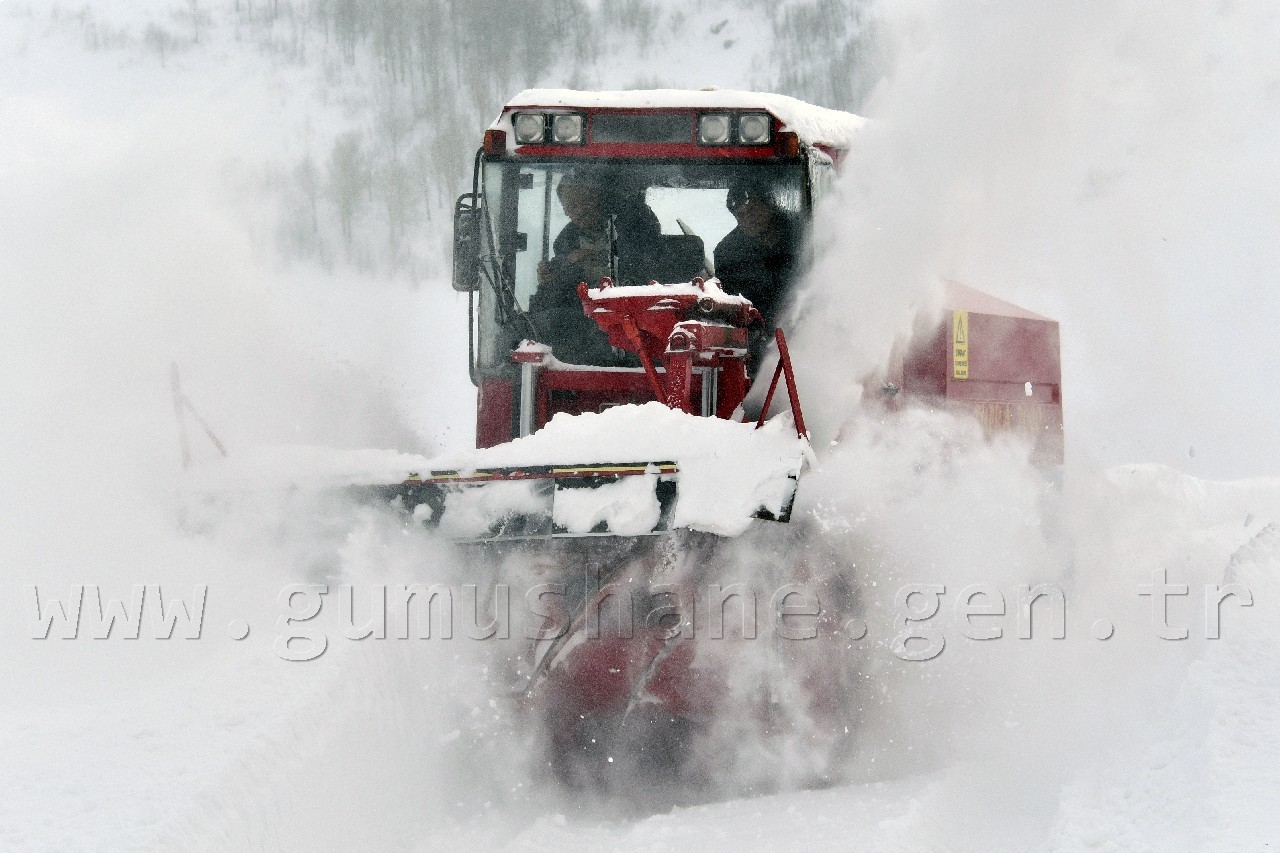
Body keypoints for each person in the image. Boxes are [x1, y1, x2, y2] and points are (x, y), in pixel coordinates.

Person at [529, 170, 660, 364]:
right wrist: (550, 281)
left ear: (602, 199)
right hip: (587, 341)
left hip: (643, 334)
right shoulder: (566, 243)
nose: (579, 211)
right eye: (572, 206)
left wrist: (598, 259)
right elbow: (556, 305)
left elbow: (648, 272)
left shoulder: (636, 230)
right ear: (564, 209)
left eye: (586, 202)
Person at [713, 181, 800, 332]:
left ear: (771, 204)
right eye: (740, 215)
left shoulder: (805, 231)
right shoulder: (727, 251)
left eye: (752, 210)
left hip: (811, 323)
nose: (747, 219)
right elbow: (730, 305)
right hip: (755, 334)